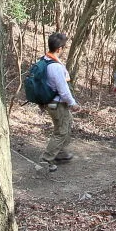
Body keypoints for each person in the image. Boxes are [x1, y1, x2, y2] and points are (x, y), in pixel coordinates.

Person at [40, 31, 79, 167]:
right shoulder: (55, 66)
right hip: (56, 103)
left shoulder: (45, 59)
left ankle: (61, 153)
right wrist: (73, 103)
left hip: (52, 102)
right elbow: (63, 90)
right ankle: (46, 159)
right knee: (61, 131)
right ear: (59, 49)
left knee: (67, 123)